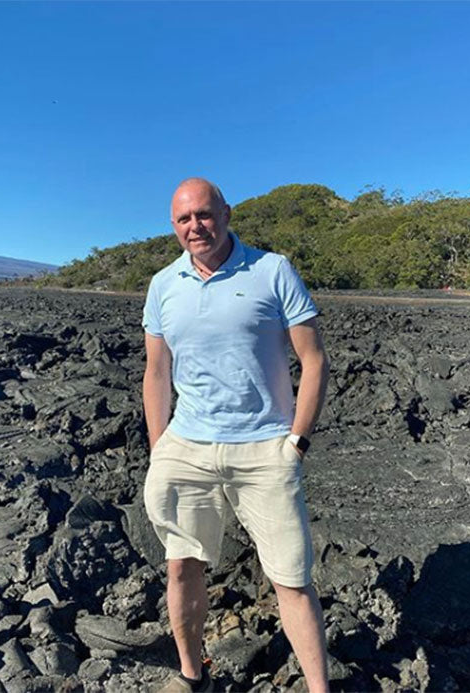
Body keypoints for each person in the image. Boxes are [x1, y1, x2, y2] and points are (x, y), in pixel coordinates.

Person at [142, 178, 330, 693]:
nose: (195, 227)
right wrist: (160, 450)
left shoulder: (273, 270)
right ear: (173, 226)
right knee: (181, 567)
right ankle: (190, 675)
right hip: (187, 447)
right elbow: (157, 373)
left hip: (265, 447)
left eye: (203, 214)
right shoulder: (163, 285)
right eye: (183, 219)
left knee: (291, 580)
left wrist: (297, 442)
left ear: (225, 213)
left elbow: (313, 360)